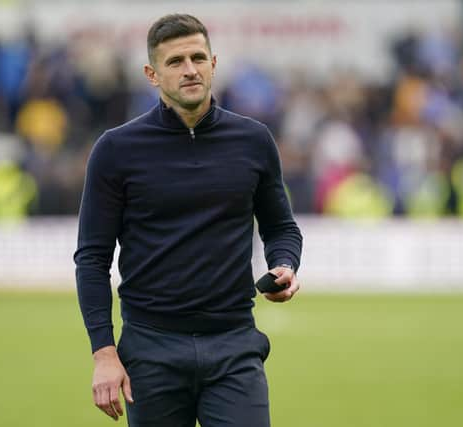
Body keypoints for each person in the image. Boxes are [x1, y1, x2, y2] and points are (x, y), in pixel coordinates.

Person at [74, 14, 303, 427]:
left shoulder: (253, 140)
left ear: (214, 63)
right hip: (149, 349)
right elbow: (92, 258)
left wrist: (285, 264)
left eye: (198, 57)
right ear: (152, 74)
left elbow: (280, 227)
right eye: (175, 61)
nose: (190, 69)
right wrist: (104, 352)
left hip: (234, 343)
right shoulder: (115, 150)